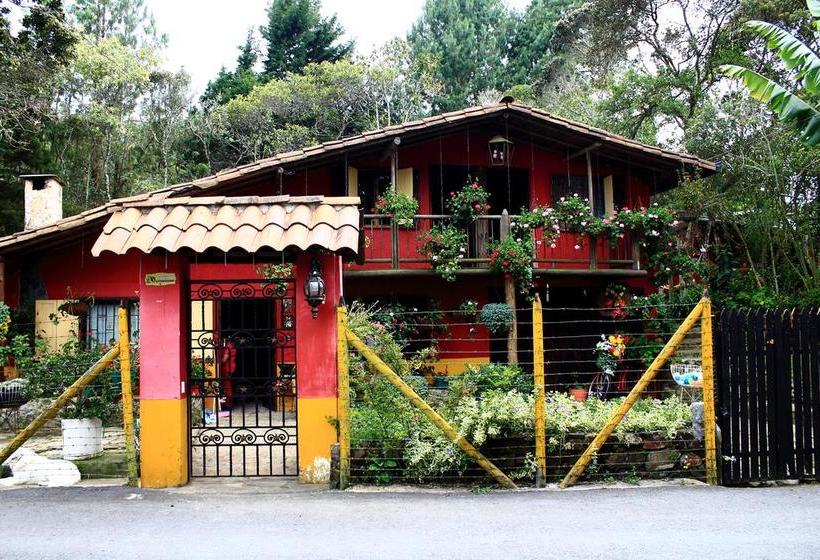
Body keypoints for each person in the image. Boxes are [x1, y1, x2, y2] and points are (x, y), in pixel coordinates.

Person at [217, 333, 237, 411]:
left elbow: (225, 358)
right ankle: (228, 403)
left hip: (227, 368)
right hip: (231, 367)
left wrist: (218, 362)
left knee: (227, 386)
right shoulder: (232, 345)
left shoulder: (228, 346)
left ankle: (228, 404)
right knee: (228, 386)